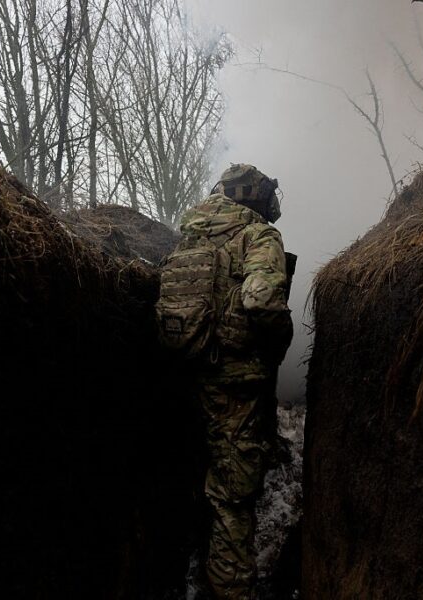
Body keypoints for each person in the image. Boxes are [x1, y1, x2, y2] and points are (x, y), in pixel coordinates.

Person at [158, 164, 293, 599]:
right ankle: (230, 588)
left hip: (185, 374)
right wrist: (279, 343)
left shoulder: (190, 236)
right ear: (255, 196)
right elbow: (262, 299)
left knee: (193, 472)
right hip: (235, 385)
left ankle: (185, 572)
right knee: (233, 495)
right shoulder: (258, 235)